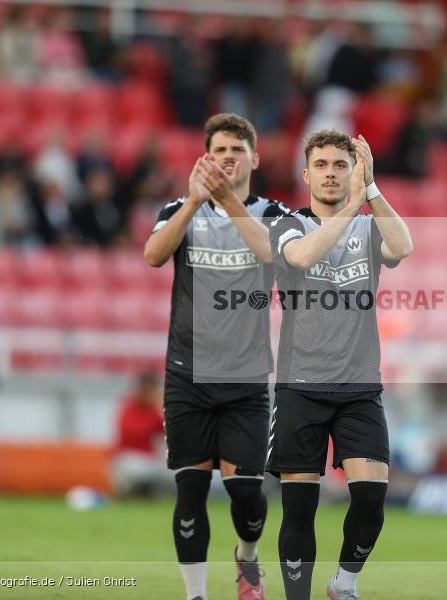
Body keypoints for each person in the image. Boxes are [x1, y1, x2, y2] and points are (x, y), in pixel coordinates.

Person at [143, 113, 287, 600]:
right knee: (191, 491)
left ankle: (247, 557)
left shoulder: (272, 214)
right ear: (206, 157)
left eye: (237, 150)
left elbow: (273, 255)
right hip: (187, 375)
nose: (229, 157)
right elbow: (154, 255)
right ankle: (197, 595)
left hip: (246, 379)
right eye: (220, 150)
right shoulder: (179, 209)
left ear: (254, 158)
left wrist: (228, 202)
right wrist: (194, 203)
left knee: (247, 495)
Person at [266, 129, 412, 600]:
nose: (332, 173)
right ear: (306, 174)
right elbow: (304, 255)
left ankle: (343, 584)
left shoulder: (369, 227)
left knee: (371, 498)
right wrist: (353, 206)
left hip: (359, 387)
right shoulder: (286, 224)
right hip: (300, 385)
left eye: (341, 166)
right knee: (300, 508)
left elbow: (403, 246)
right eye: (323, 165)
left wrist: (371, 191)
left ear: (354, 171)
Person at [111, 372, 170, 498]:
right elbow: (133, 432)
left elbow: (169, 431)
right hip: (128, 456)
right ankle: (130, 493)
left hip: (150, 458)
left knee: (174, 467)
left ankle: (150, 493)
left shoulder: (154, 409)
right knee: (131, 468)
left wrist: (160, 407)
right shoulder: (129, 406)